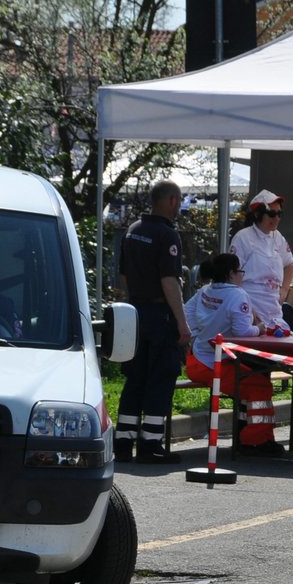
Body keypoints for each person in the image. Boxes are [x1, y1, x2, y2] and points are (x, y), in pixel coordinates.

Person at [113, 179, 191, 464]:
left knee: (135, 377)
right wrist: (181, 322)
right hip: (160, 315)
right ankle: (151, 443)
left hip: (134, 314)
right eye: (179, 200)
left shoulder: (133, 231)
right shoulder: (166, 235)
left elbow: (123, 277)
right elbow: (169, 281)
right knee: (160, 378)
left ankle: (122, 442)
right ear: (171, 201)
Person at [183, 252, 283, 456]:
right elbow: (243, 332)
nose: (242, 276)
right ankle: (254, 441)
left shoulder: (205, 291)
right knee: (260, 387)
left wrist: (196, 335)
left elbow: (187, 311)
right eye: (240, 271)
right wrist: (261, 329)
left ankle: (253, 436)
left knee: (252, 382)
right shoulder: (237, 294)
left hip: (197, 359)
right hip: (214, 364)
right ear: (231, 273)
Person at [231, 190, 293, 330]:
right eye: (272, 214)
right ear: (257, 214)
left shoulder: (278, 237)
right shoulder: (243, 237)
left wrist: (284, 289)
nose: (277, 218)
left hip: (274, 310)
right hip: (250, 310)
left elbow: (290, 264)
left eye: (280, 214)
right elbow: (231, 276)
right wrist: (247, 309)